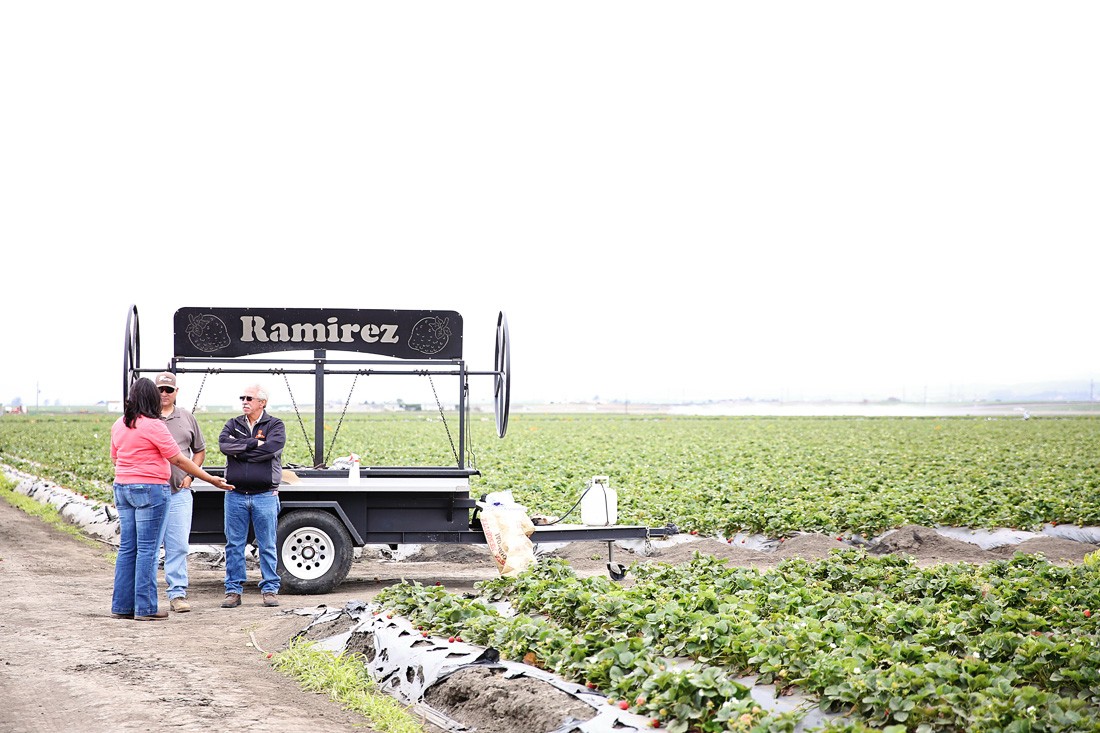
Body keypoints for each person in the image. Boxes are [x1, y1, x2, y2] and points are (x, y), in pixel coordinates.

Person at [110, 377, 232, 621]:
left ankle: (122, 607)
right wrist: (211, 479)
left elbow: (115, 458)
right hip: (151, 489)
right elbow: (177, 459)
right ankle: (146, 608)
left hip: (122, 487)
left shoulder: (120, 424)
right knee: (148, 550)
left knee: (128, 548)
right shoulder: (154, 425)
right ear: (151, 398)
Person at [218, 383, 286, 609]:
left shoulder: (275, 425)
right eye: (243, 398)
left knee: (267, 544)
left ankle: (270, 589)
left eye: (249, 398)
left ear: (262, 403)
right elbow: (224, 446)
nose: (244, 402)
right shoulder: (233, 423)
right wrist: (253, 443)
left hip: (265, 495)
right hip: (235, 494)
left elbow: (271, 449)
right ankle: (233, 591)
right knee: (234, 545)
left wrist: (241, 453)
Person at [154, 371, 206, 613]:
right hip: (152, 492)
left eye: (169, 390)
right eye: (160, 390)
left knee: (178, 546)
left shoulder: (187, 417)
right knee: (149, 547)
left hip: (179, 493)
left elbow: (199, 450)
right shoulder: (146, 417)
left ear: (176, 392)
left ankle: (177, 594)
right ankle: (144, 595)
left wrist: (190, 475)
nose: (164, 394)